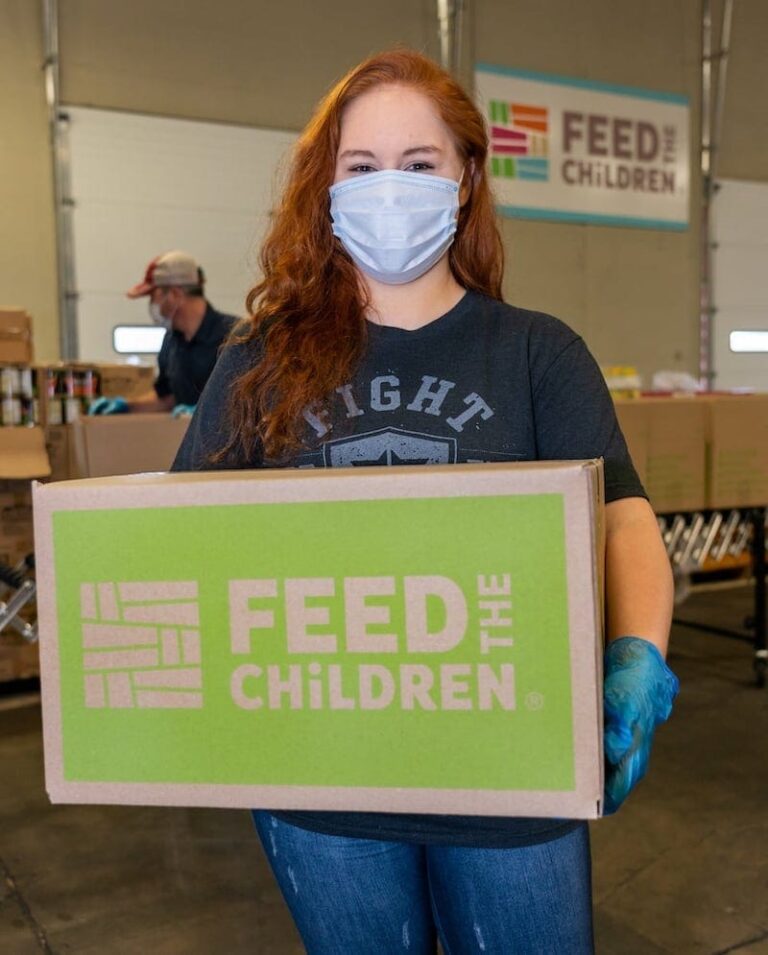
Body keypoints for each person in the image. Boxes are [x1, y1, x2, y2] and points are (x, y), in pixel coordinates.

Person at [172, 50, 679, 954]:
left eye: (419, 164)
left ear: (466, 177)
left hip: (511, 768)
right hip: (320, 775)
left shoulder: (537, 352)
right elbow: (178, 536)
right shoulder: (260, 362)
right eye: (362, 168)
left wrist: (638, 651)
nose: (389, 189)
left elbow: (620, 514)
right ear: (325, 189)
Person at [90, 250, 237, 415]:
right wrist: (126, 406)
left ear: (174, 294)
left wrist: (207, 414)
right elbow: (167, 398)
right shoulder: (170, 342)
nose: (153, 304)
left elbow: (249, 402)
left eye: (154, 296)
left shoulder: (235, 337)